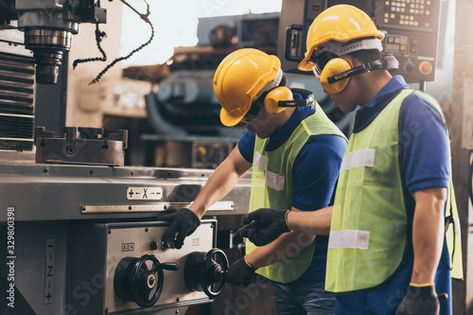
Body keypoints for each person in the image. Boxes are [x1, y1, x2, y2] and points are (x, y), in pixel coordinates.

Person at [237, 5, 463, 315]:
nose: (322, 82)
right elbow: (352, 215)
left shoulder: (414, 111)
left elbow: (432, 203)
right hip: (355, 299)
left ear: (342, 66)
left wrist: (421, 288)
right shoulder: (366, 123)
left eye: (320, 69)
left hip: (396, 298)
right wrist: (284, 219)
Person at [160, 48, 347, 314]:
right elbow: (233, 166)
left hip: (323, 279)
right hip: (287, 272)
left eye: (247, 117)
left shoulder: (318, 145)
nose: (244, 125)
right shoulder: (264, 125)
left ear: (274, 102)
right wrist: (195, 210)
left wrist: (249, 262)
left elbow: (304, 232)